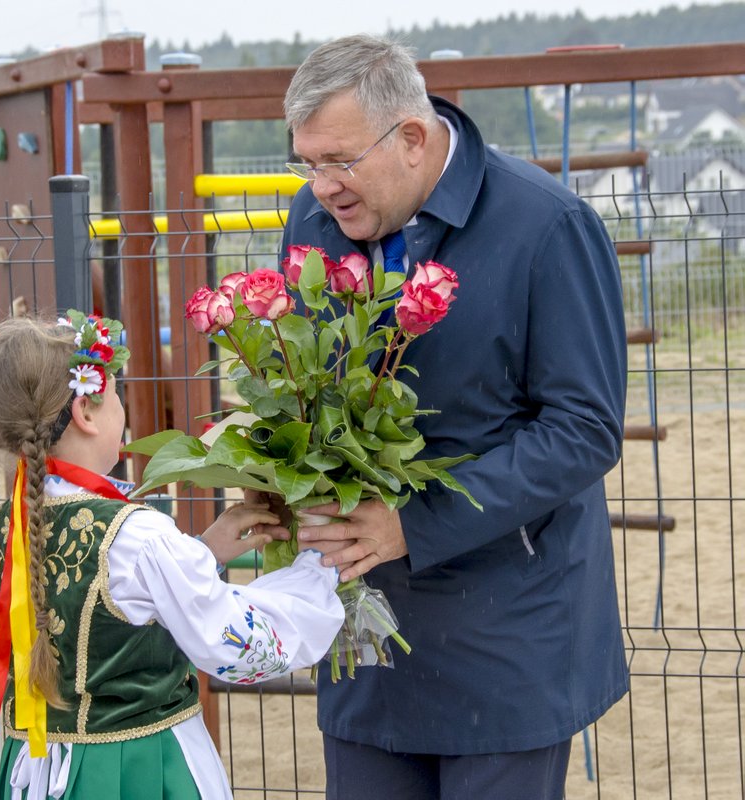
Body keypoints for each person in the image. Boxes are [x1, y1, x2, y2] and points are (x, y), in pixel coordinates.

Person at [274, 35, 630, 799]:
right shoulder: (312, 222)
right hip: (368, 634)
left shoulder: (548, 227)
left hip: (508, 633)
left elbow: (583, 429)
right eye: (308, 163)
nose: (322, 185)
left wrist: (415, 524)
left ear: (410, 137)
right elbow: (306, 385)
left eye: (339, 160)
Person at [0, 314, 346, 800]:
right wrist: (317, 569)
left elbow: (103, 602)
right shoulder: (137, 536)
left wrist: (201, 554)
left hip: (38, 773)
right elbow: (233, 642)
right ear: (85, 410)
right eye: (117, 394)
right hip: (139, 770)